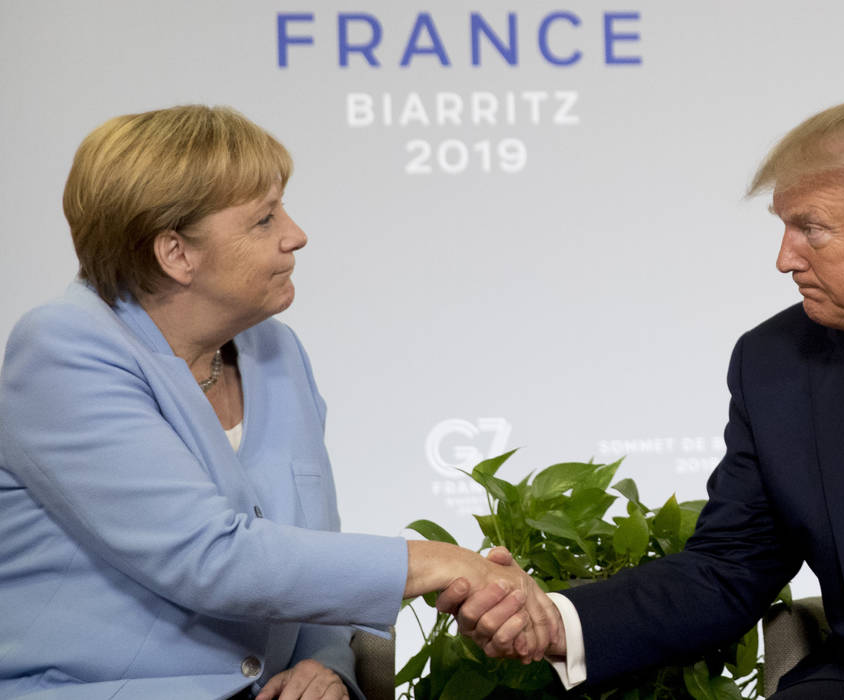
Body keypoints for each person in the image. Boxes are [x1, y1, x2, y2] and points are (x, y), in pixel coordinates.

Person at [439, 100, 844, 699]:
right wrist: (555, 620)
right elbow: (727, 569)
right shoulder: (778, 363)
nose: (784, 259)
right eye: (783, 229)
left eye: (812, 230)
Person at [0, 105, 557, 700]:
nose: (296, 234)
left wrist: (327, 665)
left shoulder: (274, 349)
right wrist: (439, 563)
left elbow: (307, 553)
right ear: (175, 253)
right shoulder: (62, 351)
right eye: (264, 219)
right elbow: (210, 557)